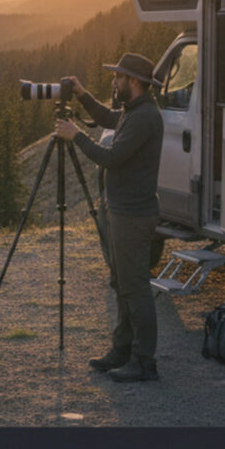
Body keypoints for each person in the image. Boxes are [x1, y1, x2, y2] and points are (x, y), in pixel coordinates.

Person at [54, 52, 164, 382]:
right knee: (121, 283)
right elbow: (106, 117)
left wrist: (77, 135)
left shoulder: (145, 117)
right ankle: (122, 349)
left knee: (135, 287)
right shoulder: (135, 112)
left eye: (118, 77)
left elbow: (112, 157)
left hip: (133, 214)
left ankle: (145, 362)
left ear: (132, 81)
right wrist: (82, 94)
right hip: (121, 211)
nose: (113, 82)